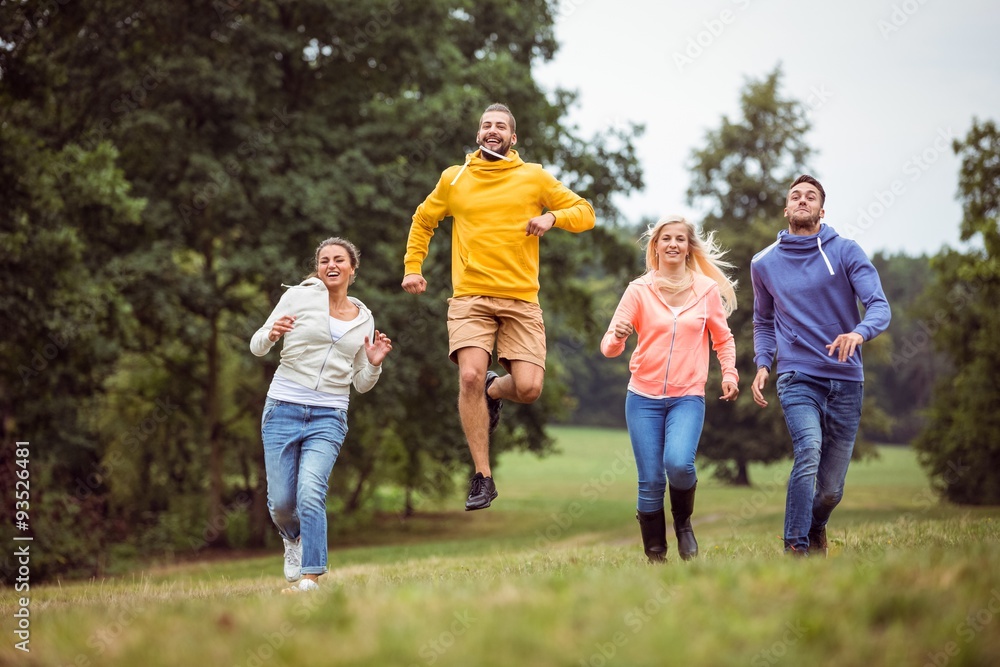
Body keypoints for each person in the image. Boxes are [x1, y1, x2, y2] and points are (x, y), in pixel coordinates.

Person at [402, 102, 596, 511]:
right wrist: (413, 268)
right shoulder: (455, 179)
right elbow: (424, 220)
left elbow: (586, 212)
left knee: (527, 388)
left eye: (501, 126)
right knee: (469, 375)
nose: (493, 130)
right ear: (478, 135)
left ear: (513, 138)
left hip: (521, 300)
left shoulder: (533, 177)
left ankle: (495, 389)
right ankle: (482, 477)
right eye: (486, 125)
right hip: (470, 296)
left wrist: (552, 219)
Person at [750, 175, 890, 557]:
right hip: (797, 376)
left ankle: (816, 527)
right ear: (786, 208)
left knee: (830, 491)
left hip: (846, 379)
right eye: (795, 195)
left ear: (821, 210)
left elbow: (879, 305)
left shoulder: (845, 251)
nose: (802, 200)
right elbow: (762, 321)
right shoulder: (763, 263)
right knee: (808, 450)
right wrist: (764, 363)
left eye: (810, 196)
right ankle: (796, 548)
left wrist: (859, 334)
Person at [251, 237, 392, 592]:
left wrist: (373, 365)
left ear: (352, 269)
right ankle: (292, 538)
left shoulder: (364, 318)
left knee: (311, 491)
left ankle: (311, 577)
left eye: (339, 260)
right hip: (283, 406)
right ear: (318, 268)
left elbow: (361, 383)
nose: (331, 265)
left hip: (329, 414)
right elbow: (256, 345)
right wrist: (271, 333)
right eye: (324, 260)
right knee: (282, 503)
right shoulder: (297, 297)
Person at [601, 215, 739, 562]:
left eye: (680, 239)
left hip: (687, 396)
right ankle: (655, 554)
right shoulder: (639, 290)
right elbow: (608, 347)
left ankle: (683, 524)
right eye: (666, 239)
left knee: (678, 464)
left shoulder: (705, 290)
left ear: (689, 247)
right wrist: (617, 337)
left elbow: (723, 338)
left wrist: (730, 374)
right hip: (643, 397)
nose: (673, 244)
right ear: (656, 246)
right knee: (649, 480)